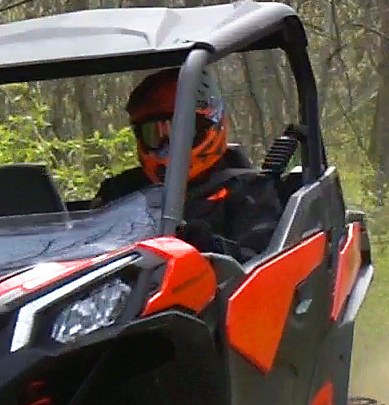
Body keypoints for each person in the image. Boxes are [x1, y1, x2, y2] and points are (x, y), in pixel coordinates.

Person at [93, 66, 284, 260]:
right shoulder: (122, 191)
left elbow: (259, 259)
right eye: (154, 134)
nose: (167, 146)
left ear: (208, 126)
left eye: (180, 131)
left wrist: (206, 244)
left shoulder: (250, 190)